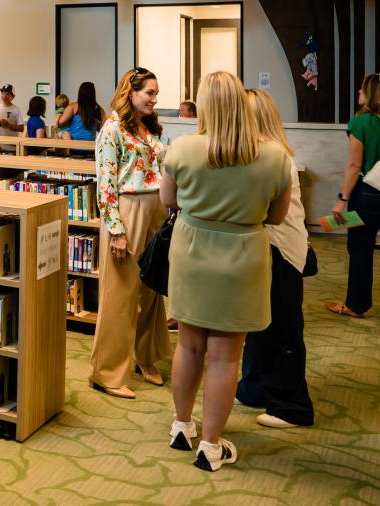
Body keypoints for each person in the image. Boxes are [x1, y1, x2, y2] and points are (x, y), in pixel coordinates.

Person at [162, 71, 291, 472]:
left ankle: (182, 426)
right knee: (224, 358)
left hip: (192, 252)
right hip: (242, 257)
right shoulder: (274, 157)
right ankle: (213, 447)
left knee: (187, 345)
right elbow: (277, 215)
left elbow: (169, 200)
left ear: (203, 105)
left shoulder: (182, 148)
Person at [236, 88, 315, 428]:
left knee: (282, 328)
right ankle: (255, 387)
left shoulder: (271, 157)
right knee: (258, 324)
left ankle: (291, 404)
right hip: (274, 249)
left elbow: (267, 213)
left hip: (280, 250)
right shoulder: (270, 153)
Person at [89, 67, 168, 399]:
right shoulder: (111, 130)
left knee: (151, 291)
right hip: (128, 210)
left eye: (155, 94)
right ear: (130, 92)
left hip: (156, 209)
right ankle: (106, 372)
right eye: (149, 92)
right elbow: (105, 184)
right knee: (120, 295)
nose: (154, 99)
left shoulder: (147, 128)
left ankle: (145, 358)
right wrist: (116, 230)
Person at [325, 73, 380, 333]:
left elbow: (354, 165)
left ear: (372, 94)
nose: (358, 93)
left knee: (360, 250)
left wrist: (342, 200)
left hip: (368, 196)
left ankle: (357, 305)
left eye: (361, 89)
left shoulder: (360, 122)